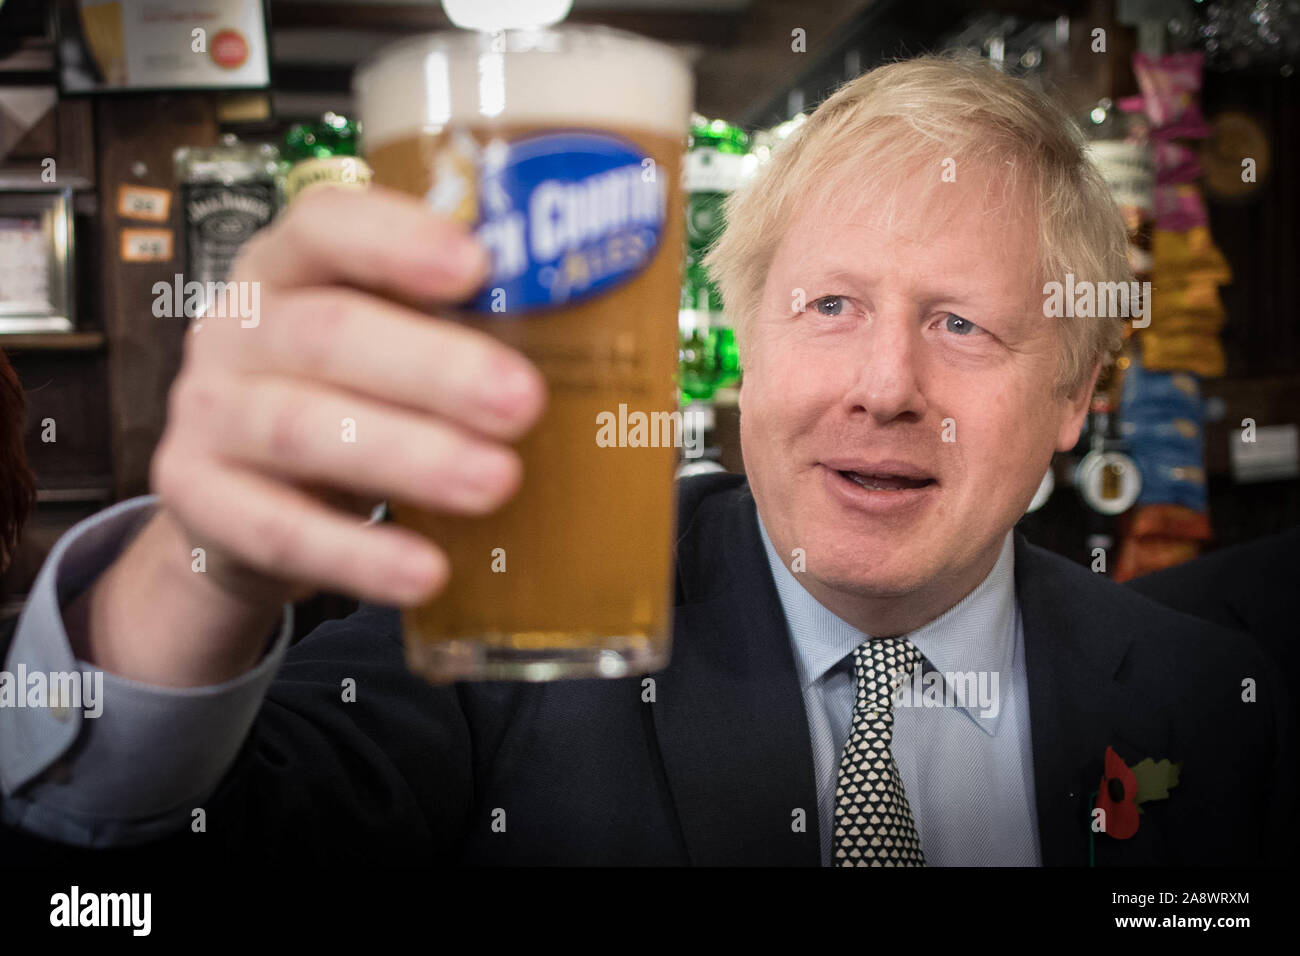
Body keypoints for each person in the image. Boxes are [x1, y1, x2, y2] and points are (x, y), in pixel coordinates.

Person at [0, 54, 1291, 866]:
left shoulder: (1225, 703)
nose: (884, 388)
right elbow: (114, 864)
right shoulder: (515, 626)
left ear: (1075, 394)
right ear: (743, 345)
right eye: (828, 307)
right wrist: (202, 569)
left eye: (963, 325)